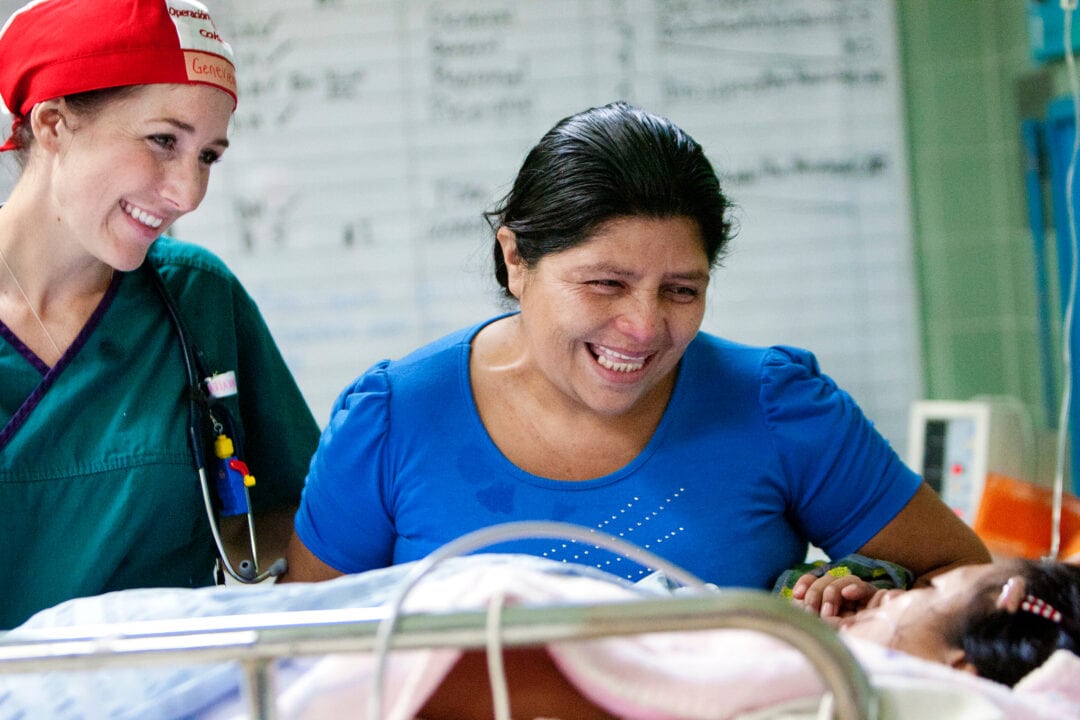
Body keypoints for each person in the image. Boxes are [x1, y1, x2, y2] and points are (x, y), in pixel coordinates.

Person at [281, 100, 990, 589]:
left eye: (681, 290)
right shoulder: (394, 419)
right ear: (515, 260)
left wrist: (853, 589)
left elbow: (961, 582)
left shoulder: (779, 408)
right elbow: (300, 649)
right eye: (606, 284)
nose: (646, 329)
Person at [0, 0, 320, 629]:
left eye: (208, 156)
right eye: (163, 140)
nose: (188, 193)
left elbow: (295, 514)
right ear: (56, 124)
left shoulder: (197, 298)